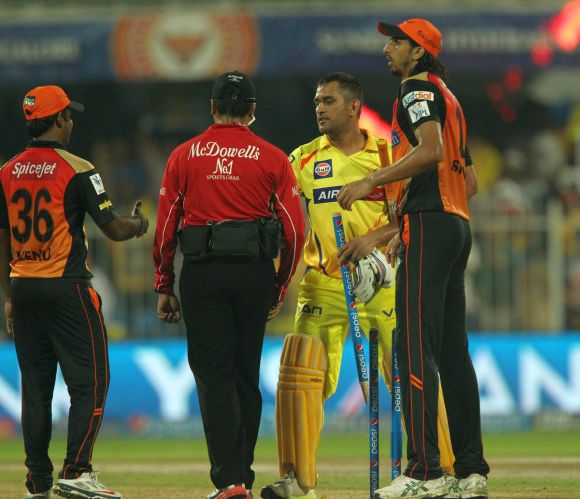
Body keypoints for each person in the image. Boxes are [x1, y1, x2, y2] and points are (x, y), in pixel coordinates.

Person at [261, 72, 456, 499]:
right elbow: (283, 222)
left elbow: (412, 214)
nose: (319, 108)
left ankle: (442, 471)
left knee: (412, 372)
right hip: (324, 283)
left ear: (353, 107)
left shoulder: (389, 154)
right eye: (316, 101)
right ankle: (297, 481)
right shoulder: (302, 160)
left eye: (328, 101)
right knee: (298, 372)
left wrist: (373, 239)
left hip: (383, 282)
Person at [337, 19, 490, 499]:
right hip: (452, 225)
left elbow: (430, 152)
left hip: (432, 225)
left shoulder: (415, 91)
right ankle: (470, 470)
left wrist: (371, 181)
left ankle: (425, 473)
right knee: (451, 352)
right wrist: (397, 227)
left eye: (397, 42)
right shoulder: (448, 95)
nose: (387, 49)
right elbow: (468, 181)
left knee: (412, 345)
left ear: (418, 52)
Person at [152, 71, 305, 499]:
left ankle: (230, 480)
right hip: (253, 273)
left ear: (212, 107)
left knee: (213, 376)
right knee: (244, 375)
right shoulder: (274, 158)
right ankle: (243, 475)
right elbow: (294, 230)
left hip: (201, 274)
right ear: (252, 111)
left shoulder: (184, 156)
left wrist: (164, 281)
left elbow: (166, 225)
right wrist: (279, 283)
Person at [0, 85, 149, 499]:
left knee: (35, 388)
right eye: (69, 115)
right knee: (92, 380)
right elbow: (114, 230)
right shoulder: (79, 167)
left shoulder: (6, 171)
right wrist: (139, 225)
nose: (73, 122)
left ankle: (37, 483)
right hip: (66, 288)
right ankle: (78, 469)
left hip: (23, 288)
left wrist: (9, 295)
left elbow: (2, 239)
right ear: (60, 120)